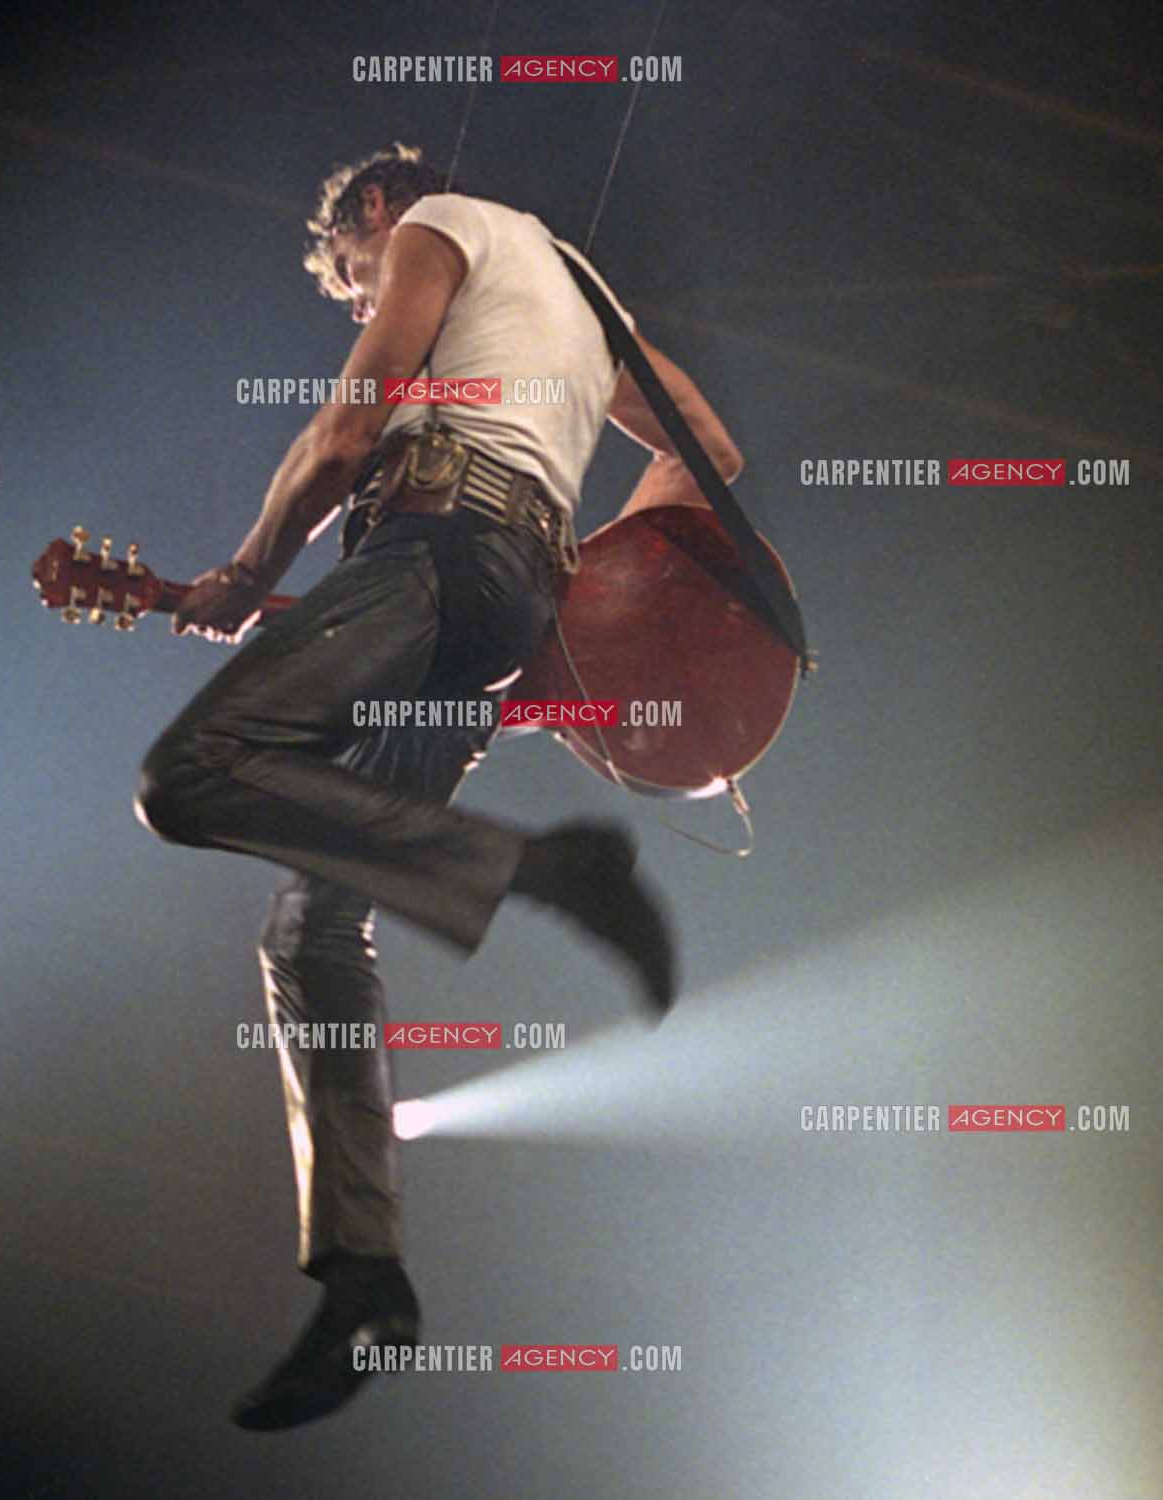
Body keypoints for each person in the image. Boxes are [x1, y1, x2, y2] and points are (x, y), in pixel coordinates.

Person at [137, 142, 743, 1430]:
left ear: (369, 211)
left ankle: (544, 870)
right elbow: (710, 452)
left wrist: (245, 574)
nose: (366, 299)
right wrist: (584, 604)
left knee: (187, 776)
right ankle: (366, 1283)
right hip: (505, 600)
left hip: (433, 545)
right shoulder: (582, 291)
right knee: (314, 923)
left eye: (354, 282)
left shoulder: (434, 222)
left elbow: (352, 428)